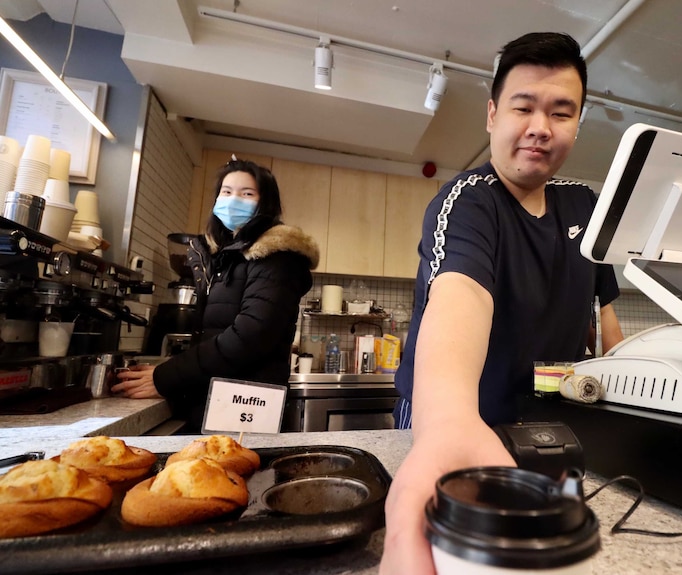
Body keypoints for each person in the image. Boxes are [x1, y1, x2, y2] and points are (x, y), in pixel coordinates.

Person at [380, 32, 624, 574]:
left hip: (543, 430)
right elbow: (460, 292)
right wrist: (447, 426)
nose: (541, 127)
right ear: (493, 115)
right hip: (456, 421)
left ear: (578, 124)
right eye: (524, 107)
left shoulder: (585, 206)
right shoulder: (469, 201)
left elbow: (608, 320)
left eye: (562, 113)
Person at [113, 158, 320, 430]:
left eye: (247, 193)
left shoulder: (276, 259)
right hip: (218, 400)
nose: (234, 200)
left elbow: (249, 337)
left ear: (265, 203)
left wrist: (167, 377)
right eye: (226, 192)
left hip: (246, 404)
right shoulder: (227, 259)